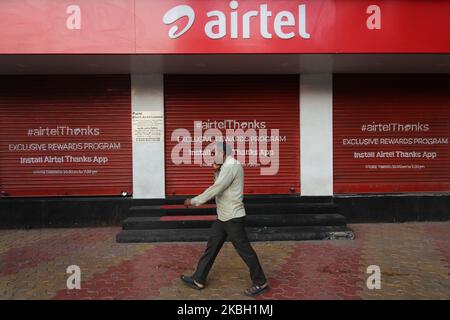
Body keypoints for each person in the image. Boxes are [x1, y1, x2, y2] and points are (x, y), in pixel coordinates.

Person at [181, 142, 269, 296]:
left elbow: (217, 188)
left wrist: (194, 201)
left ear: (223, 153)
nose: (212, 156)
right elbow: (220, 184)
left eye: (215, 152)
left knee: (245, 251)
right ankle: (198, 279)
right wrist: (216, 170)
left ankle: (260, 282)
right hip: (223, 217)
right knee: (212, 247)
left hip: (233, 217)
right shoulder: (226, 166)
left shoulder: (230, 166)